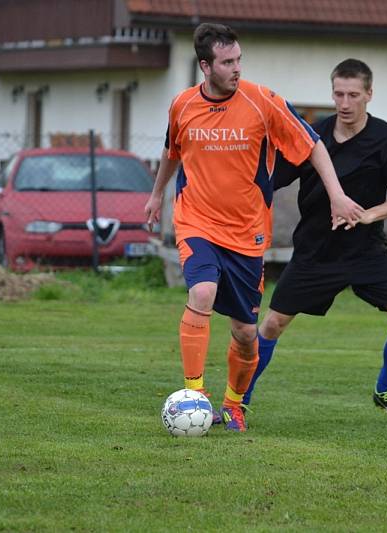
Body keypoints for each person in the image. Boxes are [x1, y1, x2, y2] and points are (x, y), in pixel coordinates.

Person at [144, 24, 364, 432]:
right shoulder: (182, 105)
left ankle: (234, 405)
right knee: (202, 291)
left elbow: (313, 144)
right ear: (205, 65)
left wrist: (336, 194)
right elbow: (172, 150)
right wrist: (158, 194)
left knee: (246, 333)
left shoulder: (263, 101)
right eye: (227, 62)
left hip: (247, 233)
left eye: (239, 59)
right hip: (197, 220)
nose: (236, 68)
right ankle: (195, 395)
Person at [242, 58, 387, 423]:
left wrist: (367, 215)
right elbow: (273, 179)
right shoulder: (311, 136)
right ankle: (238, 400)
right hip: (315, 251)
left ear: (369, 94)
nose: (345, 102)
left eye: (353, 94)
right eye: (338, 93)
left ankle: (384, 389)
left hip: (367, 249)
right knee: (272, 324)